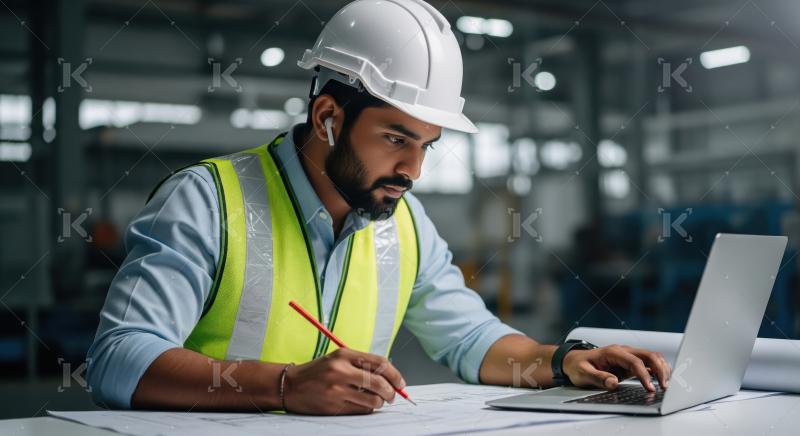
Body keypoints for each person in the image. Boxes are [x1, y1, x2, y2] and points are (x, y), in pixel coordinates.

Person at [87, 0, 670, 415]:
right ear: (327, 118)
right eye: (396, 139)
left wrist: (565, 360)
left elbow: (470, 339)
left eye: (426, 146)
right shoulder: (207, 201)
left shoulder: (406, 224)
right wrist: (287, 386)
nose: (413, 171)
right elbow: (118, 359)